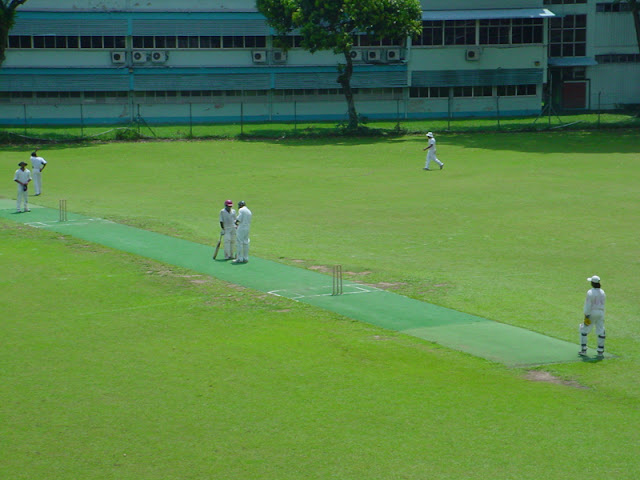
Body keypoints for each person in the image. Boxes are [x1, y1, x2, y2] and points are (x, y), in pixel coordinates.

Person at [579, 275, 606, 358]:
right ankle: (600, 351)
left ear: (592, 283)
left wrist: (586, 315)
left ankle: (583, 350)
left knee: (584, 330)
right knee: (601, 330)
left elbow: (588, 304)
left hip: (592, 313)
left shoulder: (590, 292)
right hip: (601, 313)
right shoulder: (602, 292)